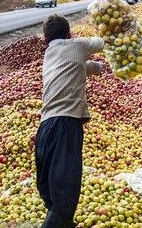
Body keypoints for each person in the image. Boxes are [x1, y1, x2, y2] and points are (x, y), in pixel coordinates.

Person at [35, 14, 104, 227]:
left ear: (46, 39)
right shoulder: (77, 45)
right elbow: (102, 42)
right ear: (68, 34)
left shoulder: (50, 55)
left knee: (50, 191)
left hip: (45, 127)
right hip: (66, 125)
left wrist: (99, 68)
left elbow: (81, 67)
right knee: (65, 195)